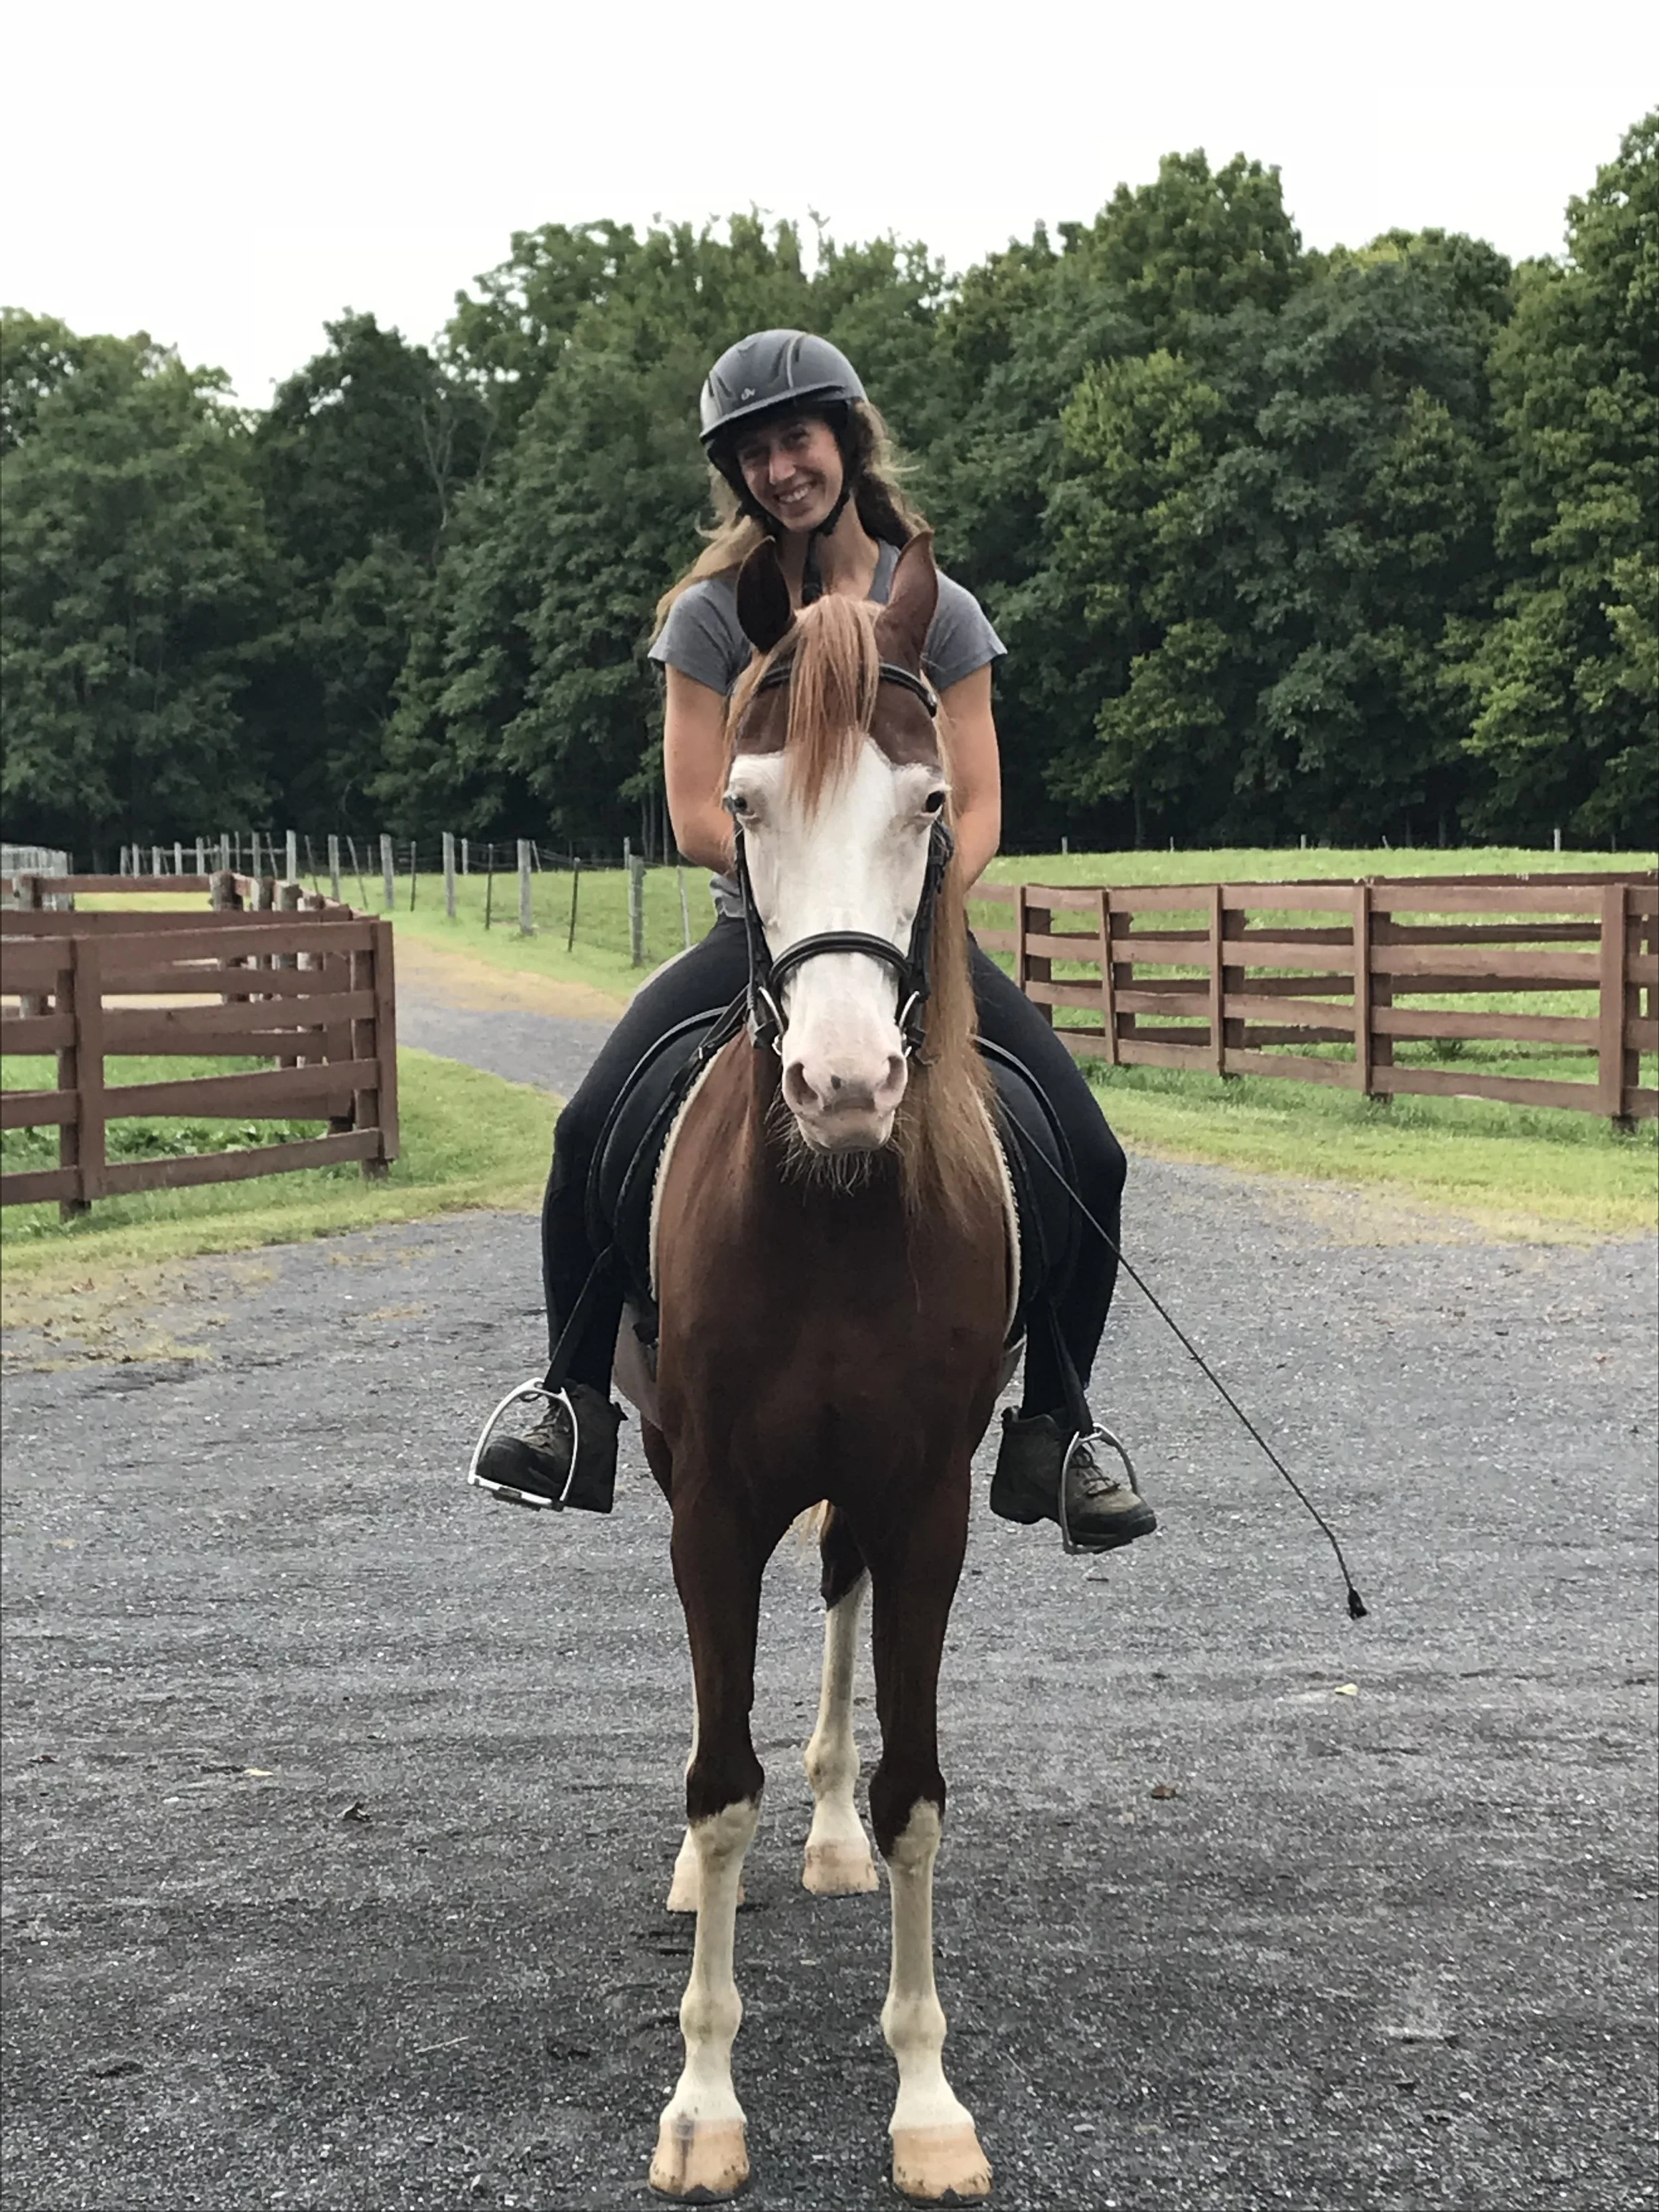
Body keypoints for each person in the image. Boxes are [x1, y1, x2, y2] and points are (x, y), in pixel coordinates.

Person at [474, 329, 1155, 1552]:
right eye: (754, 453)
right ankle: (572, 1393)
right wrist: (813, 904)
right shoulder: (710, 619)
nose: (781, 469)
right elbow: (694, 811)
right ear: (736, 474)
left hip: (916, 933)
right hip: (764, 935)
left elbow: (983, 800)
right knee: (585, 1132)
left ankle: (1056, 1423)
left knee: (1088, 1158)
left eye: (797, 438)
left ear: (846, 435)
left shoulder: (936, 612)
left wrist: (898, 912)